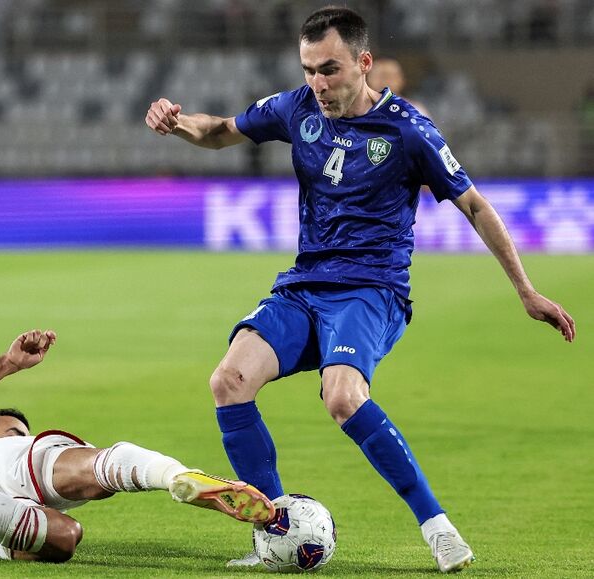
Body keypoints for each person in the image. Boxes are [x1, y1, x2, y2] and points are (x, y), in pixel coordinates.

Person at [145, 5, 575, 574]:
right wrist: (178, 123)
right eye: (308, 70)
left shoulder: (409, 130)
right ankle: (273, 533)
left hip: (372, 289)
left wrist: (526, 290)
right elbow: (220, 131)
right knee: (228, 380)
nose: (317, 83)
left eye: (330, 69)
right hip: (305, 284)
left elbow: (473, 203)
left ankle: (438, 528)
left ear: (363, 63)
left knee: (342, 397)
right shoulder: (296, 108)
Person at [0, 329, 274, 563]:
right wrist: (7, 364)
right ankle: (169, 475)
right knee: (89, 471)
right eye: (12, 428)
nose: (18, 431)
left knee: (65, 536)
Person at [367, 57, 431, 117]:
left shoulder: (415, 110)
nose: (385, 81)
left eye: (390, 76)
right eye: (380, 76)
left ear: (401, 80)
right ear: (368, 79)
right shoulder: (359, 110)